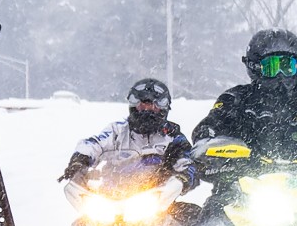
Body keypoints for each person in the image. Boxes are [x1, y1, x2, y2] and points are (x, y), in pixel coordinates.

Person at [190, 29, 297, 210]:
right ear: (255, 67)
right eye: (272, 66)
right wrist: (223, 155)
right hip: (240, 193)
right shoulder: (235, 100)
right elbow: (206, 131)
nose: (280, 74)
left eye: (287, 66)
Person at [57, 78, 198, 195]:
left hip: (157, 202)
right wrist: (79, 160)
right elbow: (93, 144)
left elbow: (187, 162)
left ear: (164, 108)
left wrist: (183, 178)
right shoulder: (117, 131)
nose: (147, 111)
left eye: (153, 106)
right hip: (110, 200)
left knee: (190, 219)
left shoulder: (173, 137)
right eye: (142, 106)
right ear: (133, 106)